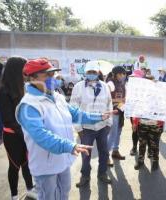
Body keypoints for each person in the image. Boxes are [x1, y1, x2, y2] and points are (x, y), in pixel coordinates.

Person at [16, 58, 110, 200]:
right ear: (33, 78)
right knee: (49, 196)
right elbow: (41, 136)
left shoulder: (57, 97)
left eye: (52, 75)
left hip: (63, 159)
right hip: (46, 165)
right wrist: (70, 146)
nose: (52, 78)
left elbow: (76, 114)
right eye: (47, 75)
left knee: (64, 192)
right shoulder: (29, 105)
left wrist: (99, 117)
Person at [0, 57, 37, 200]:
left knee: (27, 164)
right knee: (14, 166)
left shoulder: (24, 87)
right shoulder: (3, 91)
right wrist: (29, 132)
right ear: (16, 70)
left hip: (25, 133)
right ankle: (14, 196)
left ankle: (30, 190)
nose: (26, 72)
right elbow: (8, 120)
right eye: (24, 69)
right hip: (13, 135)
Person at [70, 60, 114, 188]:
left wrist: (109, 124)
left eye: (94, 72)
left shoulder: (105, 87)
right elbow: (73, 108)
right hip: (86, 128)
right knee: (85, 154)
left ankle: (102, 173)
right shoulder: (78, 87)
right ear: (85, 73)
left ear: (98, 73)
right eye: (89, 72)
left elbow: (109, 104)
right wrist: (78, 128)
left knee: (104, 152)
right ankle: (85, 176)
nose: (91, 74)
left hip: (102, 127)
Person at [133, 75, 164, 171]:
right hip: (142, 124)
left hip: (155, 125)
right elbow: (136, 108)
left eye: (150, 82)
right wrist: (135, 122)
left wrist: (161, 123)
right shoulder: (140, 94)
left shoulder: (161, 94)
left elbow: (164, 108)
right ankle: (140, 161)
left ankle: (155, 161)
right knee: (142, 143)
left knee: (154, 144)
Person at [107, 66, 127, 163]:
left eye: (124, 74)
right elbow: (105, 99)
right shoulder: (110, 83)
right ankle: (105, 155)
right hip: (113, 112)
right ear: (116, 74)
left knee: (118, 132)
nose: (123, 75)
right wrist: (120, 100)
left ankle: (115, 151)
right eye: (122, 74)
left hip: (121, 111)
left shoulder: (122, 83)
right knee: (112, 133)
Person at [128, 70, 145, 156]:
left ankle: (145, 151)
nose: (133, 79)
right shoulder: (130, 87)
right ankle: (134, 147)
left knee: (143, 133)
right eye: (132, 77)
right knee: (134, 130)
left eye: (135, 77)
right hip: (133, 113)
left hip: (144, 114)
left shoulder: (147, 88)